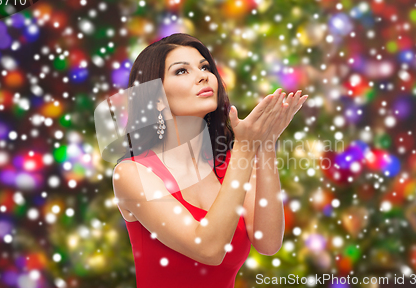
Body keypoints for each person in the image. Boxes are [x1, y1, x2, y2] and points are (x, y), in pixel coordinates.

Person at [111, 33, 308, 288]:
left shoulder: (231, 163)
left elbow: (267, 242)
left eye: (205, 67)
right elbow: (208, 249)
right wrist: (246, 147)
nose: (203, 75)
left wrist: (266, 144)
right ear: (156, 98)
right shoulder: (131, 173)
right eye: (181, 71)